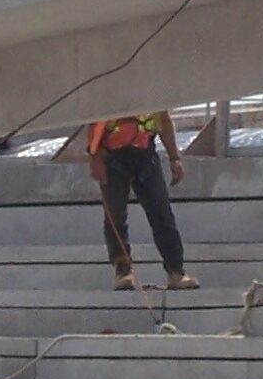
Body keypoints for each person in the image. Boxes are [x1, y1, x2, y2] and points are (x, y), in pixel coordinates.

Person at [85, 113, 200, 292]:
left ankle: (176, 271)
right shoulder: (110, 92)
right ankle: (123, 270)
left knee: (162, 214)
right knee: (115, 216)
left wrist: (174, 157)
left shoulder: (150, 93)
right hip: (113, 157)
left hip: (145, 155)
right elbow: (95, 123)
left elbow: (164, 119)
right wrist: (95, 157)